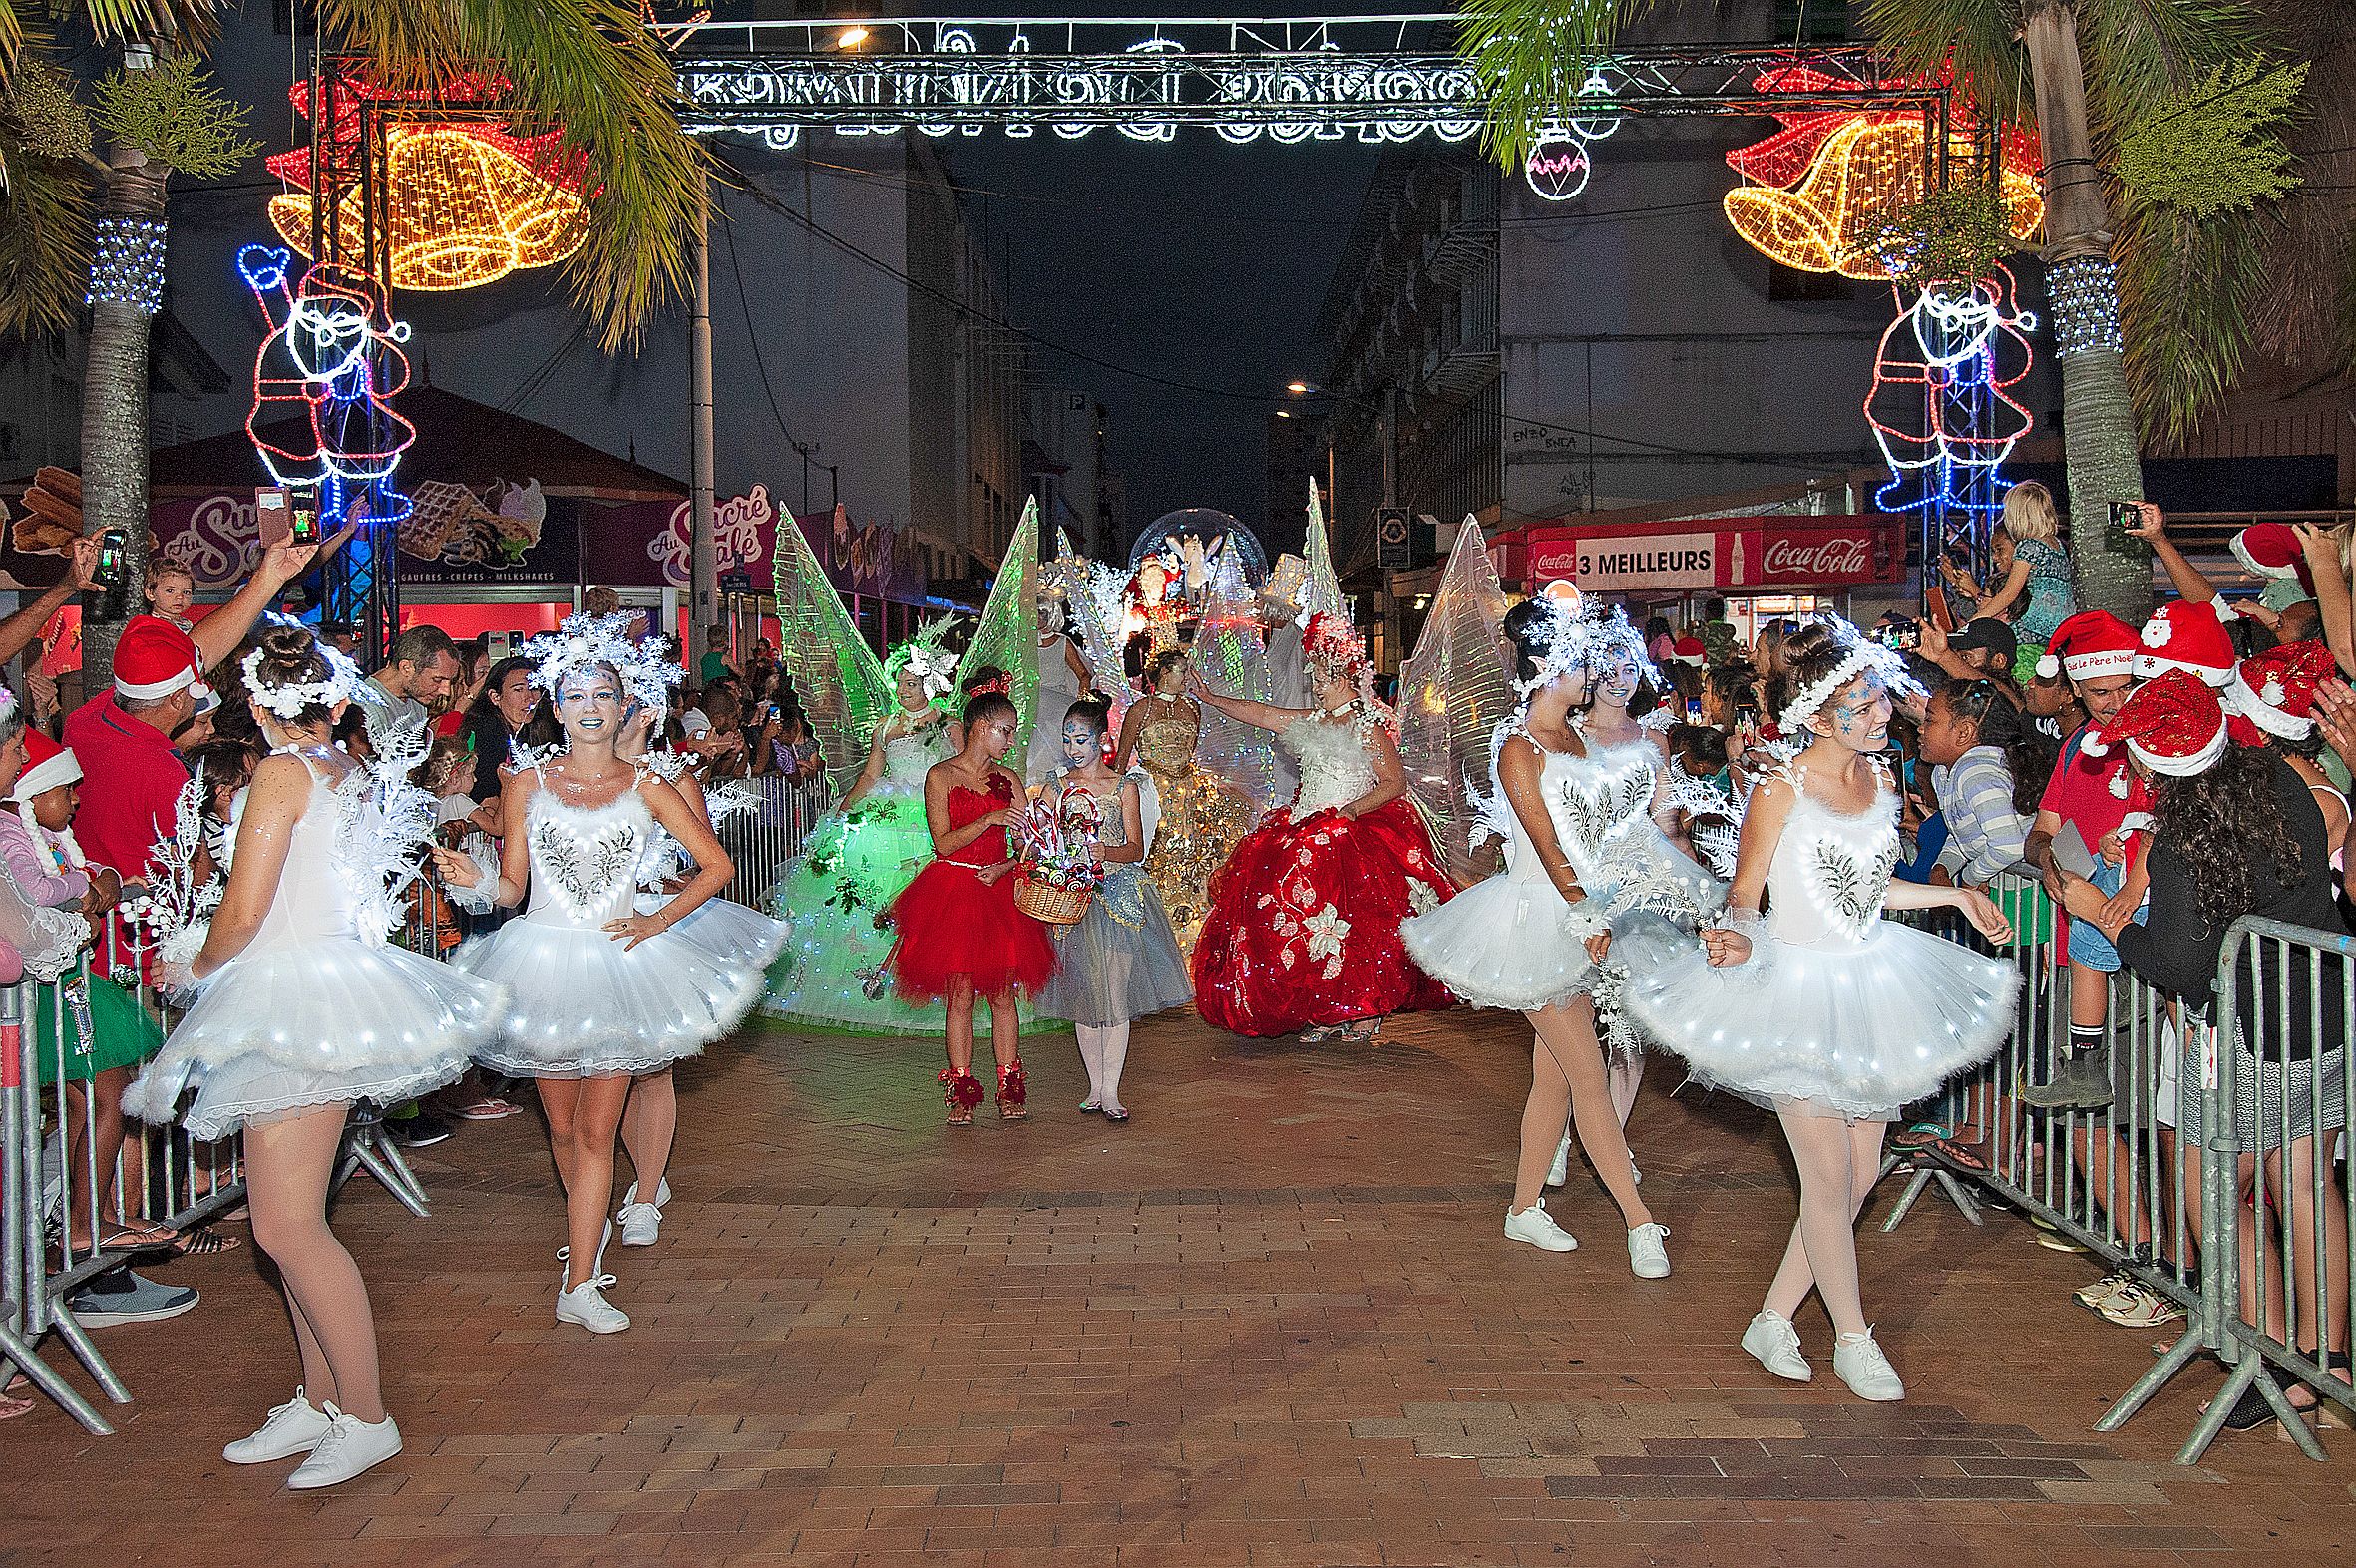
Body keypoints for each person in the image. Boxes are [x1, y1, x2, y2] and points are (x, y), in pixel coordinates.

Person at [123, 624, 504, 1488]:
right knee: (283, 1223)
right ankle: (321, 1397)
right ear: (335, 702)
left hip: (295, 997)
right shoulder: (345, 770)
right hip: (325, 987)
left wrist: (194, 961)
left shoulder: (282, 774)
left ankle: (366, 1414)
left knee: (287, 1226)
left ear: (255, 708)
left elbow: (247, 910)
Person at [1621, 616, 2017, 1401]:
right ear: (1817, 707)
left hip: (1871, 987)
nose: (1882, 715)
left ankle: (1773, 1315)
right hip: (1796, 994)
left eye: (1881, 702)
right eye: (1865, 702)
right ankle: (1853, 1338)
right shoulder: (1780, 787)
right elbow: (1746, 893)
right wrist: (1733, 938)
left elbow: (1869, 894)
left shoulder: (1882, 782)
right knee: (1829, 1180)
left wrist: (1955, 895)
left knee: (1861, 1173)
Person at [436, 621, 755, 1336]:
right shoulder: (522, 783)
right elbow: (514, 888)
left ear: (622, 706)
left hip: (616, 967)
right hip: (540, 962)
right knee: (560, 1127)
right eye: (574, 692)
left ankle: (579, 1280)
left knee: (596, 1129)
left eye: (603, 694)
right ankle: (588, 1227)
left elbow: (716, 867)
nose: (589, 705)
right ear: (555, 702)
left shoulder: (649, 785)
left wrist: (655, 922)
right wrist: (477, 880)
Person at [2060, 672, 2351, 1432]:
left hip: (2246, 1032)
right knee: (2309, 1185)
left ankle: (2275, 1359)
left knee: (2213, 1190)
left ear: (2154, 766)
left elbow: (2179, 966)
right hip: (2322, 1014)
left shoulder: (2192, 840)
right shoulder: (2277, 781)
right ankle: (2325, 1358)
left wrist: (2100, 914)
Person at [1398, 592, 1669, 1275]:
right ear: (1550, 667)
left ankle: (1524, 1210)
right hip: (1534, 920)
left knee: (1554, 1079)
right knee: (1589, 1077)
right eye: (1581, 663)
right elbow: (1548, 849)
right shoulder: (1518, 748)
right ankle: (1639, 1221)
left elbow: (1594, 834)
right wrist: (1585, 911)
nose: (1594, 675)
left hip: (1584, 915)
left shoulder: (1575, 739)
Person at [1187, 612, 1455, 1042]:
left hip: (1348, 829)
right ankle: (1321, 1006)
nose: (1314, 682)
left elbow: (1394, 783)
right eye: (1313, 673)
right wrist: (1215, 700)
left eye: (1320, 674)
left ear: (1341, 674)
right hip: (1304, 824)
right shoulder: (1312, 721)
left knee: (1355, 926)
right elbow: (1261, 713)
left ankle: (1360, 1009)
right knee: (1295, 915)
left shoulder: (1367, 726)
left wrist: (1349, 813)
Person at [4, 728, 183, 1257]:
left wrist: (96, 874)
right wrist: (85, 885)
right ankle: (86, 1222)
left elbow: (82, 874)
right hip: (51, 993)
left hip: (73, 987)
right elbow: (33, 895)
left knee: (97, 1105)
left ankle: (95, 1214)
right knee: (110, 1100)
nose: (78, 800)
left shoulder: (48, 838)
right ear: (36, 794)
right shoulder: (12, 835)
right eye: (67, 790)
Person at [762, 623, 963, 1033]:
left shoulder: (947, 723)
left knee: (928, 898)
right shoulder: (885, 726)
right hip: (885, 814)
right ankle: (861, 983)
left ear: (929, 683)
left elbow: (960, 770)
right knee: (863, 898)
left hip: (932, 813)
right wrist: (847, 805)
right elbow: (871, 774)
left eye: (910, 683)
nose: (903, 690)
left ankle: (931, 987)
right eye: (900, 683)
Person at [886, 686, 1057, 1125]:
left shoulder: (1010, 779)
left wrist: (1006, 866)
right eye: (1005, 731)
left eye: (1013, 733)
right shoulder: (940, 776)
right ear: (980, 728)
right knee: (958, 995)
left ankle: (1009, 1084)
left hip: (998, 890)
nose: (1010, 741)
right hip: (955, 890)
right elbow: (942, 844)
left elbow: (1036, 844)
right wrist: (987, 820)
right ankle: (961, 1088)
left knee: (1004, 994)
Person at [1034, 699, 1192, 1122]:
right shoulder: (1056, 785)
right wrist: (1044, 851)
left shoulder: (1126, 786)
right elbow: (1039, 840)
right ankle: (1093, 1087)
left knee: (1116, 992)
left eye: (1082, 739)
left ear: (1102, 739)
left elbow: (1137, 848)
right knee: (1086, 993)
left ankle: (1112, 1089)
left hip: (1118, 896)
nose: (1073, 748)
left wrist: (1105, 851)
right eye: (1067, 740)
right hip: (1073, 899)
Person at [1112, 647, 1254, 950]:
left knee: (1196, 852)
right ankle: (1156, 926)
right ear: (1165, 673)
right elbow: (1121, 759)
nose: (1188, 677)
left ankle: (1191, 923)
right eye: (1182, 671)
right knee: (1157, 852)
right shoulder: (1141, 710)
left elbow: (1190, 750)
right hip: (1152, 790)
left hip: (1189, 791)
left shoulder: (1192, 707)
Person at [1972, 482, 2077, 682]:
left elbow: (2009, 593)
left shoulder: (2028, 546)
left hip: (2033, 626)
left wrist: (1976, 620)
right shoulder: (2056, 545)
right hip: (2061, 626)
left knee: (1991, 647)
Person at [458, 656, 541, 808]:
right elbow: (484, 796)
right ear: (495, 697)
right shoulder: (486, 732)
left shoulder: (530, 729)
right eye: (518, 690)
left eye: (534, 688)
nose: (529, 698)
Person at [353, 624, 460, 741]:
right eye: (437, 680)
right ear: (406, 668)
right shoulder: (364, 707)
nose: (446, 691)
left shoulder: (417, 702)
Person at [1028, 599, 1093, 785]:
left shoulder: (1063, 643)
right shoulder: (1025, 643)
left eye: (1042, 614)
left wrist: (1082, 701)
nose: (1038, 618)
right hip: (1031, 698)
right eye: (1035, 613)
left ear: (1051, 616)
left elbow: (1083, 675)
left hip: (1058, 700)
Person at [144, 561, 196, 632]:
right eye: (170, 591)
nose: (180, 597)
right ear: (150, 594)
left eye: (186, 592)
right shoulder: (153, 626)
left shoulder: (186, 623)